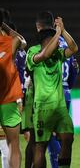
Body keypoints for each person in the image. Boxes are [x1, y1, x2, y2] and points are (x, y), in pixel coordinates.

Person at [26, 12, 78, 168]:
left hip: (60, 108)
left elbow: (74, 48)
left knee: (68, 138)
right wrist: (57, 34)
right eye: (51, 40)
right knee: (40, 146)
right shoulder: (33, 52)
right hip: (42, 107)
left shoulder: (57, 53)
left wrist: (64, 30)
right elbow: (45, 54)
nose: (54, 43)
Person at [47, 33, 80, 168]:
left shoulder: (49, 48)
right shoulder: (68, 50)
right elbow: (72, 79)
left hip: (52, 95)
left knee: (50, 134)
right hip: (66, 94)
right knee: (63, 134)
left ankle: (56, 164)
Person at [0, 14, 27, 168]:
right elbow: (22, 41)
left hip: (8, 100)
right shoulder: (11, 42)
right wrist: (5, 25)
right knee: (13, 145)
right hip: (8, 101)